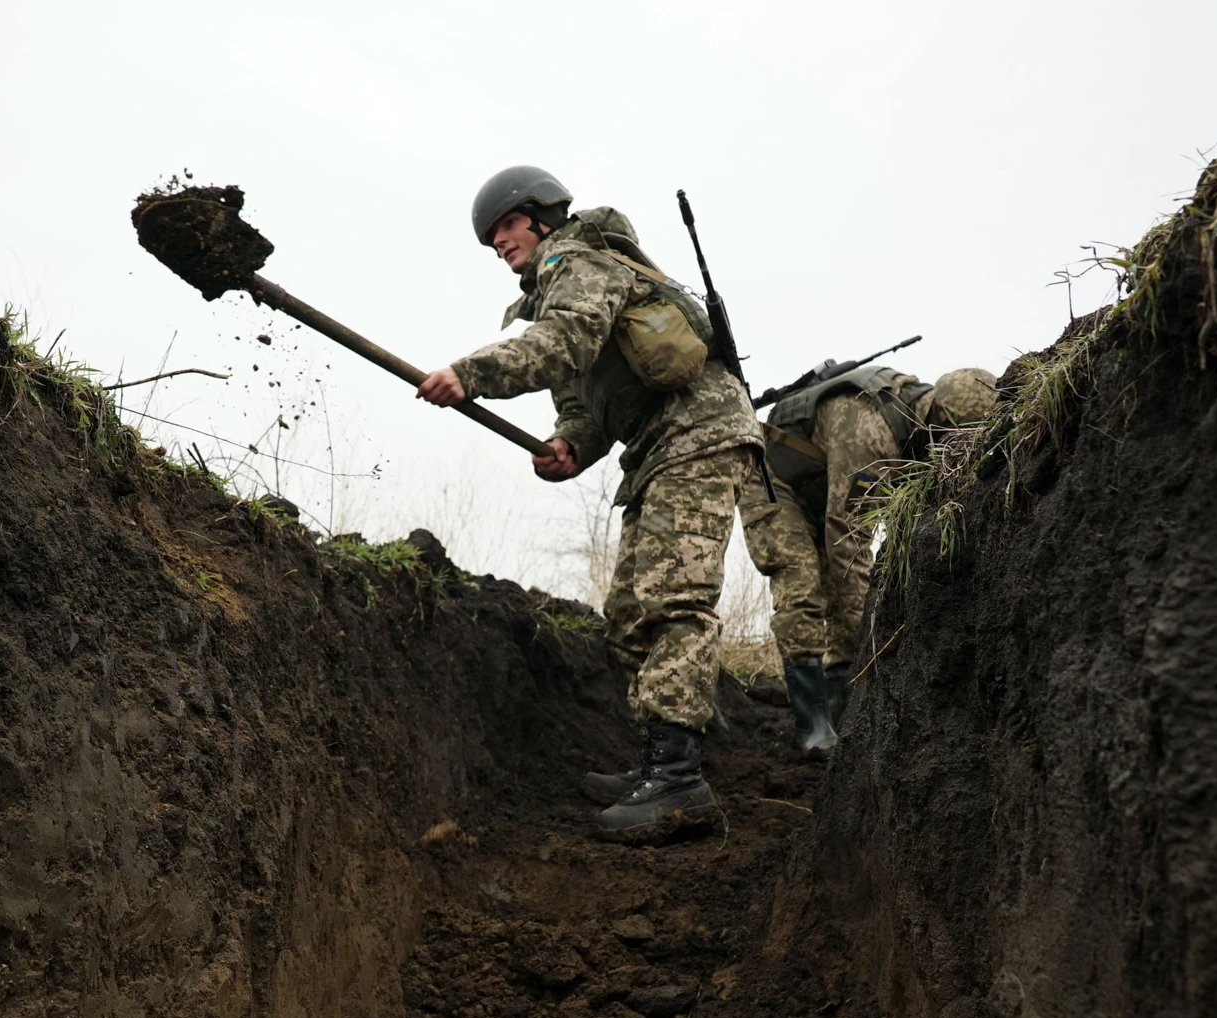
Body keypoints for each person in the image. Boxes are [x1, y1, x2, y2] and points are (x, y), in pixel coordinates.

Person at [414, 166, 763, 841]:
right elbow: (584, 410)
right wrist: (570, 447)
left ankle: (679, 782)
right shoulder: (551, 289)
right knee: (630, 613)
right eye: (490, 237)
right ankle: (655, 765)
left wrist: (472, 375)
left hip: (701, 434)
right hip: (657, 449)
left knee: (671, 602)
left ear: (540, 215)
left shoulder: (580, 260)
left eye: (506, 226)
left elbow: (565, 341)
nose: (498, 242)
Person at [742, 363, 999, 756]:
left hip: (822, 484)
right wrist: (871, 640)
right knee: (802, 588)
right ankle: (812, 727)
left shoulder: (920, 421)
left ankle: (840, 706)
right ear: (945, 419)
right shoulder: (874, 433)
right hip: (772, 480)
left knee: (839, 591)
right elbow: (848, 542)